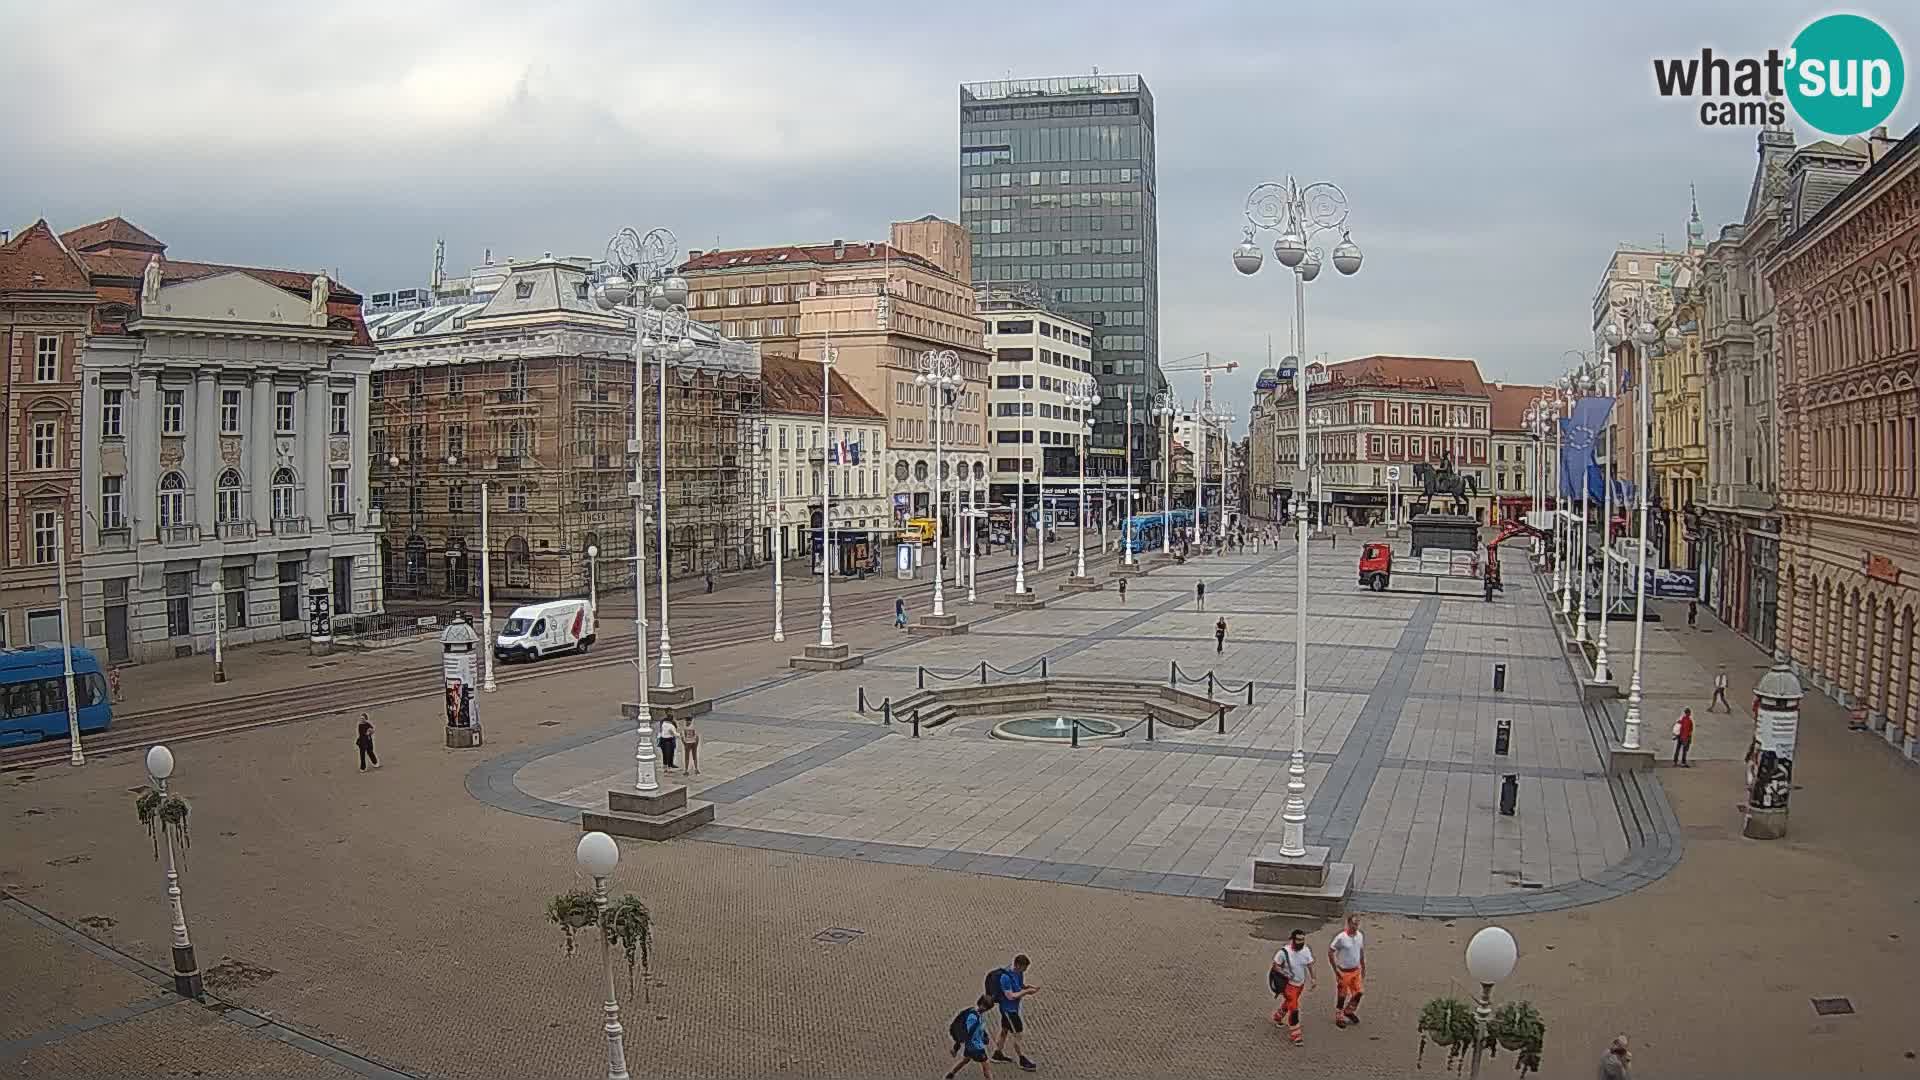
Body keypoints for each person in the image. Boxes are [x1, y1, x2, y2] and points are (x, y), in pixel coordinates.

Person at [988, 955, 1039, 1072]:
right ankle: (1022, 1059)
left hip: (1013, 1009)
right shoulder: (1005, 978)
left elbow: (1019, 986)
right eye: (1024, 969)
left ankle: (997, 1053)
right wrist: (1026, 992)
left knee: (1004, 1031)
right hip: (1008, 1011)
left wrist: (1027, 987)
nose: (1025, 971)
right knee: (1018, 1034)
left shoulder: (1018, 973)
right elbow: (1010, 996)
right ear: (1017, 965)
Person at [1271, 928, 1316, 1045]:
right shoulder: (1283, 952)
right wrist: (1284, 973)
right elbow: (1276, 966)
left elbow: (1310, 965)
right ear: (1293, 939)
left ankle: (1278, 1016)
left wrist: (1313, 978)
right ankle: (1296, 1035)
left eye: (1303, 940)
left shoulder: (1306, 950)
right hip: (1289, 986)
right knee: (1294, 1008)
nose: (1301, 942)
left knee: (1290, 1002)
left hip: (1300, 984)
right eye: (1299, 940)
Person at [1330, 914, 1366, 1027]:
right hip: (1344, 971)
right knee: (1342, 995)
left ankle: (1349, 1010)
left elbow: (1360, 951)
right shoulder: (1341, 938)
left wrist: (1363, 965)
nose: (1356, 926)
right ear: (1349, 923)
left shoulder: (1360, 936)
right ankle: (1339, 1016)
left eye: (1357, 924)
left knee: (1359, 992)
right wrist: (1336, 969)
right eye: (1354, 923)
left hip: (1356, 970)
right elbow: (1330, 951)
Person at [946, 996, 993, 1080]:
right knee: (986, 1067)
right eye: (986, 1007)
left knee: (966, 1060)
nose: (986, 1009)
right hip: (976, 1047)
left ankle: (951, 1074)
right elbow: (968, 1033)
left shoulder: (975, 1013)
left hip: (972, 1045)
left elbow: (979, 1028)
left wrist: (984, 1035)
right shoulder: (973, 1018)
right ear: (981, 1004)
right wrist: (956, 1047)